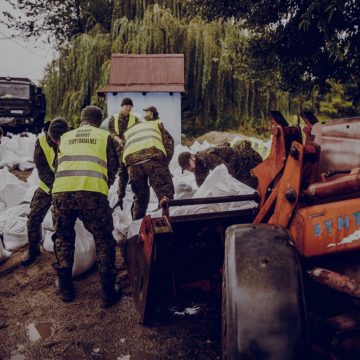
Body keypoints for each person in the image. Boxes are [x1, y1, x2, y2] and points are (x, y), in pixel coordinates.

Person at [51, 105, 120, 308]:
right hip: (91, 191)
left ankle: (66, 290)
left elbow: (58, 166)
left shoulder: (66, 136)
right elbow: (113, 166)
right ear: (98, 121)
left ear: (81, 119)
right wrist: (102, 184)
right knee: (103, 238)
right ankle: (107, 293)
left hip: (61, 191)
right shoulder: (103, 136)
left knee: (64, 237)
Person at [21, 118, 69, 267]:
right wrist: (54, 186)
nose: (57, 142)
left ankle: (67, 258)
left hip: (68, 186)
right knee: (34, 218)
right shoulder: (41, 141)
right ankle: (33, 250)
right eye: (55, 138)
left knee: (66, 222)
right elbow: (41, 168)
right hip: (47, 186)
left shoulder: (71, 139)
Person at [122, 105, 174, 220]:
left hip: (132, 163)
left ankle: (137, 225)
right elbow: (169, 143)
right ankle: (166, 223)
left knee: (140, 197)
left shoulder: (129, 131)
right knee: (164, 193)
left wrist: (121, 193)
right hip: (152, 157)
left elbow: (122, 155)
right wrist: (164, 165)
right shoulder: (156, 124)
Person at [178, 141, 262, 188]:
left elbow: (228, 172)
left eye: (188, 165)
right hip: (234, 165)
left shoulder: (206, 157)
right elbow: (202, 187)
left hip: (243, 161)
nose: (189, 169)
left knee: (249, 188)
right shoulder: (197, 167)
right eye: (186, 169)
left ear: (192, 157)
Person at [108, 97, 140, 209]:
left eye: (130, 106)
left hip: (129, 150)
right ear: (122, 106)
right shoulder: (114, 118)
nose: (128, 108)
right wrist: (119, 140)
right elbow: (111, 132)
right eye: (126, 106)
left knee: (129, 173)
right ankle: (118, 197)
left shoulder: (135, 119)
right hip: (115, 150)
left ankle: (129, 197)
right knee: (116, 172)